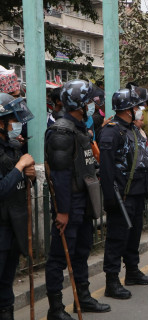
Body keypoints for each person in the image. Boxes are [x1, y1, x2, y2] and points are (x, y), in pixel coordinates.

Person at [44, 80, 111, 319]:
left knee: (82, 251)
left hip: (83, 202)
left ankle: (83, 298)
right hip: (69, 204)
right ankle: (56, 309)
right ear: (79, 104)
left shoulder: (80, 128)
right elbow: (60, 177)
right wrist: (62, 211)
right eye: (89, 102)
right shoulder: (61, 131)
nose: (93, 105)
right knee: (59, 258)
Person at [99, 87, 148, 300]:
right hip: (121, 195)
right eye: (136, 106)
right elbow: (105, 168)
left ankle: (132, 270)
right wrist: (111, 198)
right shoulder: (111, 131)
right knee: (116, 238)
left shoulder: (132, 128)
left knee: (134, 234)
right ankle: (111, 281)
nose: (139, 110)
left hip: (138, 192)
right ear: (127, 109)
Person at [0, 93, 36, 320]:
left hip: (14, 224)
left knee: (7, 280)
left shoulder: (12, 147)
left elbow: (18, 183)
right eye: (12, 119)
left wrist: (28, 175)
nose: (16, 124)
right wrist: (20, 167)